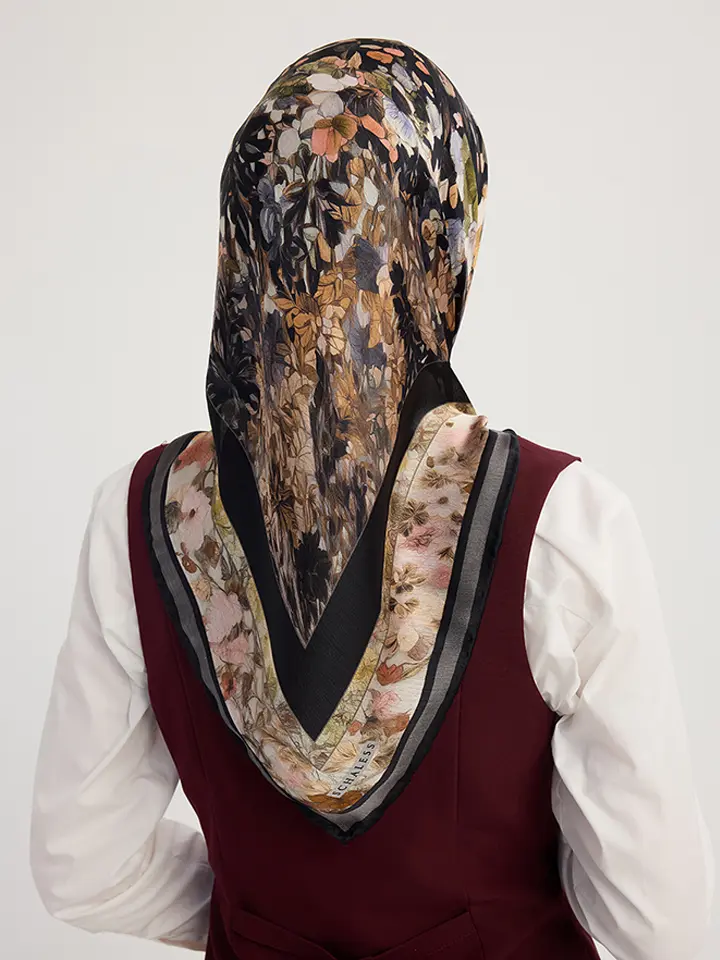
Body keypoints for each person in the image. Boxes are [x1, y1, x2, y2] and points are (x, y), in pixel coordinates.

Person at [30, 36, 713, 960]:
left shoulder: (142, 516)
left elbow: (80, 863)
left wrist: (247, 916)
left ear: (244, 237)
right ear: (442, 243)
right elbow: (659, 922)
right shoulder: (564, 526)